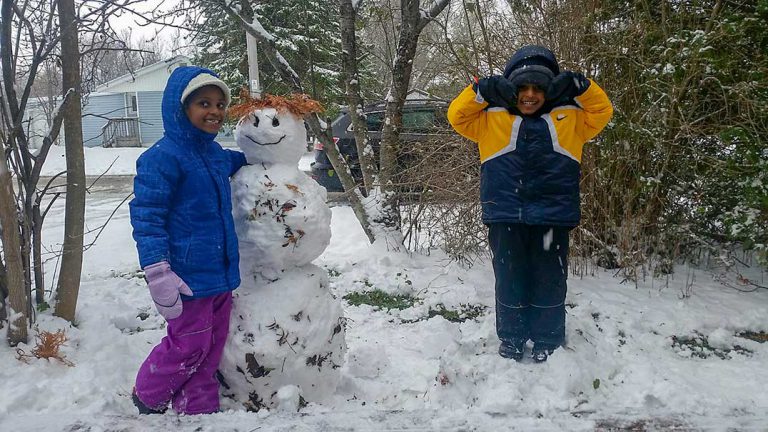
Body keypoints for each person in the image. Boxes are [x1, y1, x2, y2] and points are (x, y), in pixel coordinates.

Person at [447, 45, 613, 362]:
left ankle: (547, 339)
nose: (530, 95)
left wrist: (582, 86)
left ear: (550, 90)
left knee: (549, 279)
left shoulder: (571, 118)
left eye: (539, 88)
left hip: (553, 216)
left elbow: (602, 111)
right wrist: (480, 90)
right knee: (510, 279)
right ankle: (511, 337)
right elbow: (457, 115)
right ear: (511, 89)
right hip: (505, 214)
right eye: (522, 87)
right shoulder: (490, 118)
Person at [129, 66, 248, 414]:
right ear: (181, 108)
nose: (214, 111)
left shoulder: (215, 155)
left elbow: (243, 159)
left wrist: (270, 154)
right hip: (185, 277)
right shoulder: (161, 158)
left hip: (220, 273)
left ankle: (196, 403)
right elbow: (147, 216)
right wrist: (157, 270)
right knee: (188, 344)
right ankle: (149, 395)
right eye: (203, 103)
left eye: (220, 104)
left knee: (212, 346)